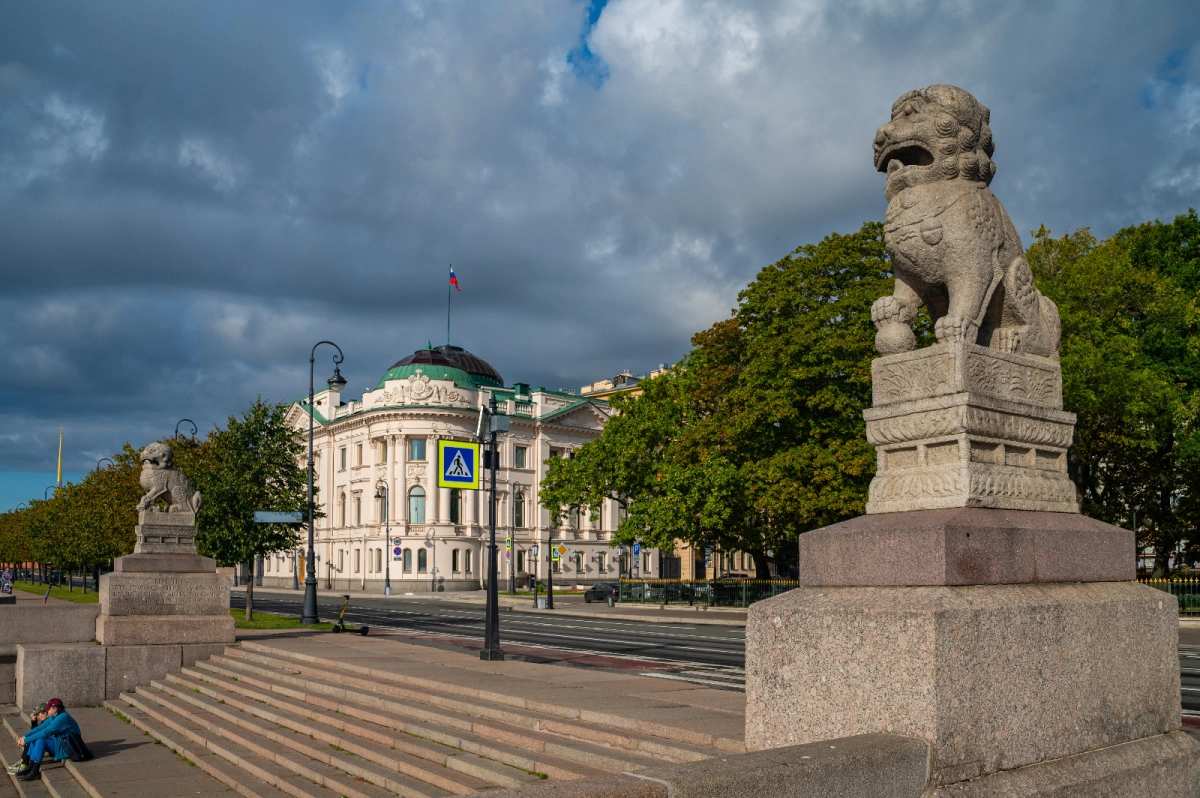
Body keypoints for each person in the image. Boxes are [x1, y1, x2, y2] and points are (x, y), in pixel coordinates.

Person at [15, 698, 81, 782]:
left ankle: (34, 772)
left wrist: (26, 740)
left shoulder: (62, 717)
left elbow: (46, 732)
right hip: (61, 741)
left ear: (55, 709)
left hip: (69, 747)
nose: (47, 711)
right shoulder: (55, 715)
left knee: (41, 740)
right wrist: (24, 736)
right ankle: (31, 767)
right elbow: (40, 728)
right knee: (36, 739)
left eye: (48, 709)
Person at [5, 703, 47, 775]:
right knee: (30, 739)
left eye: (38, 714)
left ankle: (24, 765)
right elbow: (35, 731)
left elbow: (39, 733)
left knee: (31, 740)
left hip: (54, 745)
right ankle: (22, 761)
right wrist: (34, 720)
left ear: (45, 713)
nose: (38, 716)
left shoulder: (49, 721)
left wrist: (26, 739)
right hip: (47, 741)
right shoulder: (45, 720)